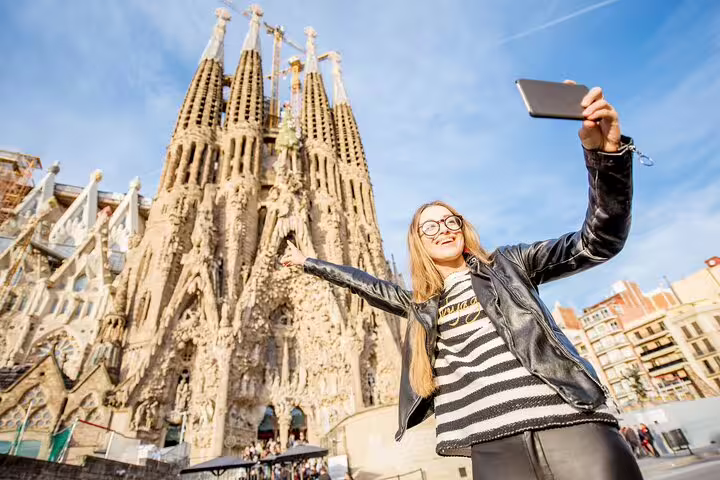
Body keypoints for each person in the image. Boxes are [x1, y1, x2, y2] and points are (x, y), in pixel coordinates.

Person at [280, 85, 641, 480]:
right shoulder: (421, 304)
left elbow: (597, 241)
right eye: (429, 226)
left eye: (450, 220)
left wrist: (606, 157)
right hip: (492, 443)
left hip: (569, 423)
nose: (442, 230)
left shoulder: (509, 265)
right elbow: (365, 284)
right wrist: (308, 262)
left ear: (462, 227)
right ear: (418, 242)